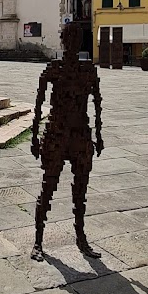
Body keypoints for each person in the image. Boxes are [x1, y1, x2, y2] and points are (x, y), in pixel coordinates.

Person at [30, 22, 103, 261]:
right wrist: (34, 137)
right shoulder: (54, 69)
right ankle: (38, 241)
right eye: (68, 38)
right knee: (48, 187)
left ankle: (81, 238)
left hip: (80, 134)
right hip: (57, 134)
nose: (71, 43)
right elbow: (38, 105)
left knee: (80, 191)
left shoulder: (88, 70)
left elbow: (97, 104)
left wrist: (99, 135)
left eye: (76, 38)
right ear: (63, 41)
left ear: (79, 42)